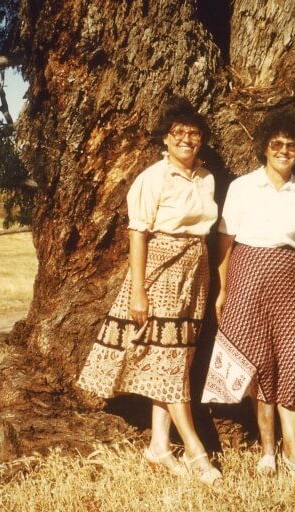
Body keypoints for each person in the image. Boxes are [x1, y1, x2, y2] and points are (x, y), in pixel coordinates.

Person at [77, 96, 222, 485]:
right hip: (160, 270)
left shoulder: (207, 178)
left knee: (176, 361)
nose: (187, 140)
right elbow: (138, 234)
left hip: (196, 270)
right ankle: (195, 451)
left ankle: (159, 445)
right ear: (167, 138)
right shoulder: (152, 178)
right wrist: (139, 291)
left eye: (194, 134)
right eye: (180, 134)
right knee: (167, 362)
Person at [201, 110, 295, 480]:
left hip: (292, 284)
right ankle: (267, 450)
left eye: (291, 145)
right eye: (277, 144)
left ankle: (294, 451)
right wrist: (223, 289)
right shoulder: (242, 187)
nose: (284, 151)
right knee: (257, 362)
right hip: (249, 277)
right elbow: (225, 242)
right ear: (265, 148)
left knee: (290, 361)